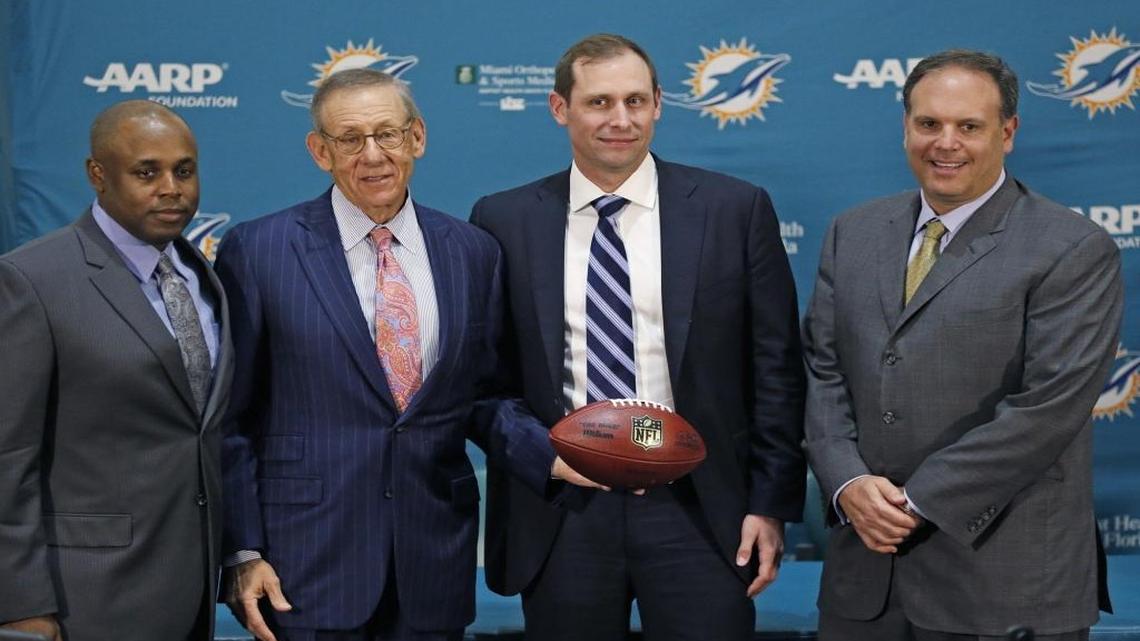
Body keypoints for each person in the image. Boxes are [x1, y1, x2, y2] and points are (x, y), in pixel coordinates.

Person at [470, 33, 806, 641]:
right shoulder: (503, 219)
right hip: (562, 512)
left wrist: (770, 504)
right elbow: (483, 383)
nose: (619, 120)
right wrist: (546, 460)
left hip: (701, 512)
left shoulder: (735, 209)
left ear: (658, 104)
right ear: (558, 108)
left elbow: (776, 371)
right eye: (598, 103)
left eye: (634, 101)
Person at [215, 68, 550, 641]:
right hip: (305, 564)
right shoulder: (259, 249)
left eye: (388, 134)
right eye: (349, 139)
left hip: (432, 561)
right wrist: (242, 550)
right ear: (320, 151)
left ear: (416, 138)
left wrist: (556, 458)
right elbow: (229, 420)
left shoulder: (472, 253)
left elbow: (484, 396)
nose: (372, 155)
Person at [802, 49, 1121, 640]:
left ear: (1008, 132)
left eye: (968, 126)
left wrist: (913, 502)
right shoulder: (854, 231)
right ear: (906, 128)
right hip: (864, 578)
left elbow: (1046, 409)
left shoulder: (1073, 246)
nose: (946, 142)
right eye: (929, 124)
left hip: (1003, 583)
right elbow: (823, 371)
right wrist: (847, 483)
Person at [0, 100, 232, 641]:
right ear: (97, 176)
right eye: (147, 172)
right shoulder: (31, 279)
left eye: (185, 170)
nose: (171, 187)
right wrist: (19, 603)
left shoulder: (203, 276)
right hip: (82, 597)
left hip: (190, 590)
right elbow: (7, 457)